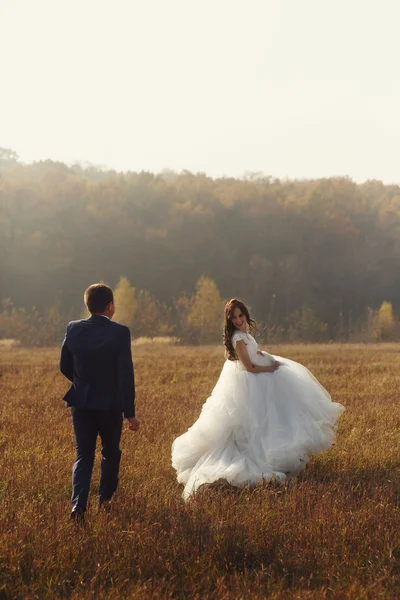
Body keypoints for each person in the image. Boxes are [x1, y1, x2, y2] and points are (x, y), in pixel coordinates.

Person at [172, 298, 344, 500]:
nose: (237, 320)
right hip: (247, 382)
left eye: (240, 316)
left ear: (245, 315)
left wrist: (262, 354)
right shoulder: (237, 337)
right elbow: (249, 367)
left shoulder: (245, 334)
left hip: (252, 378)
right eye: (234, 318)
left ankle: (277, 453)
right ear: (229, 320)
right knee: (253, 424)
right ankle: (259, 461)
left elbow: (250, 352)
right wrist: (269, 368)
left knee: (271, 416)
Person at [60, 283, 139, 521]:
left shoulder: (73, 328)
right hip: (110, 405)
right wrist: (130, 413)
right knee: (110, 453)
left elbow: (64, 365)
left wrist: (81, 382)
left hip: (81, 403)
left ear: (88, 304)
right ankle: (105, 502)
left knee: (83, 456)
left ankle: (78, 507)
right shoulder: (120, 333)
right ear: (110, 306)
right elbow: (126, 374)